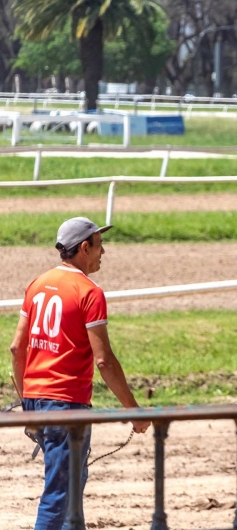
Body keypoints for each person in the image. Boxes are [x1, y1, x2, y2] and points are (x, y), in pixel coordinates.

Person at [9, 217, 150, 530]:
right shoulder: (89, 292)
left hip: (36, 400)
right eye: (99, 245)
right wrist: (134, 410)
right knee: (59, 493)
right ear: (84, 248)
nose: (103, 252)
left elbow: (17, 349)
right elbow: (105, 362)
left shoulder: (36, 285)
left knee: (71, 486)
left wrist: (28, 404)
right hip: (67, 405)